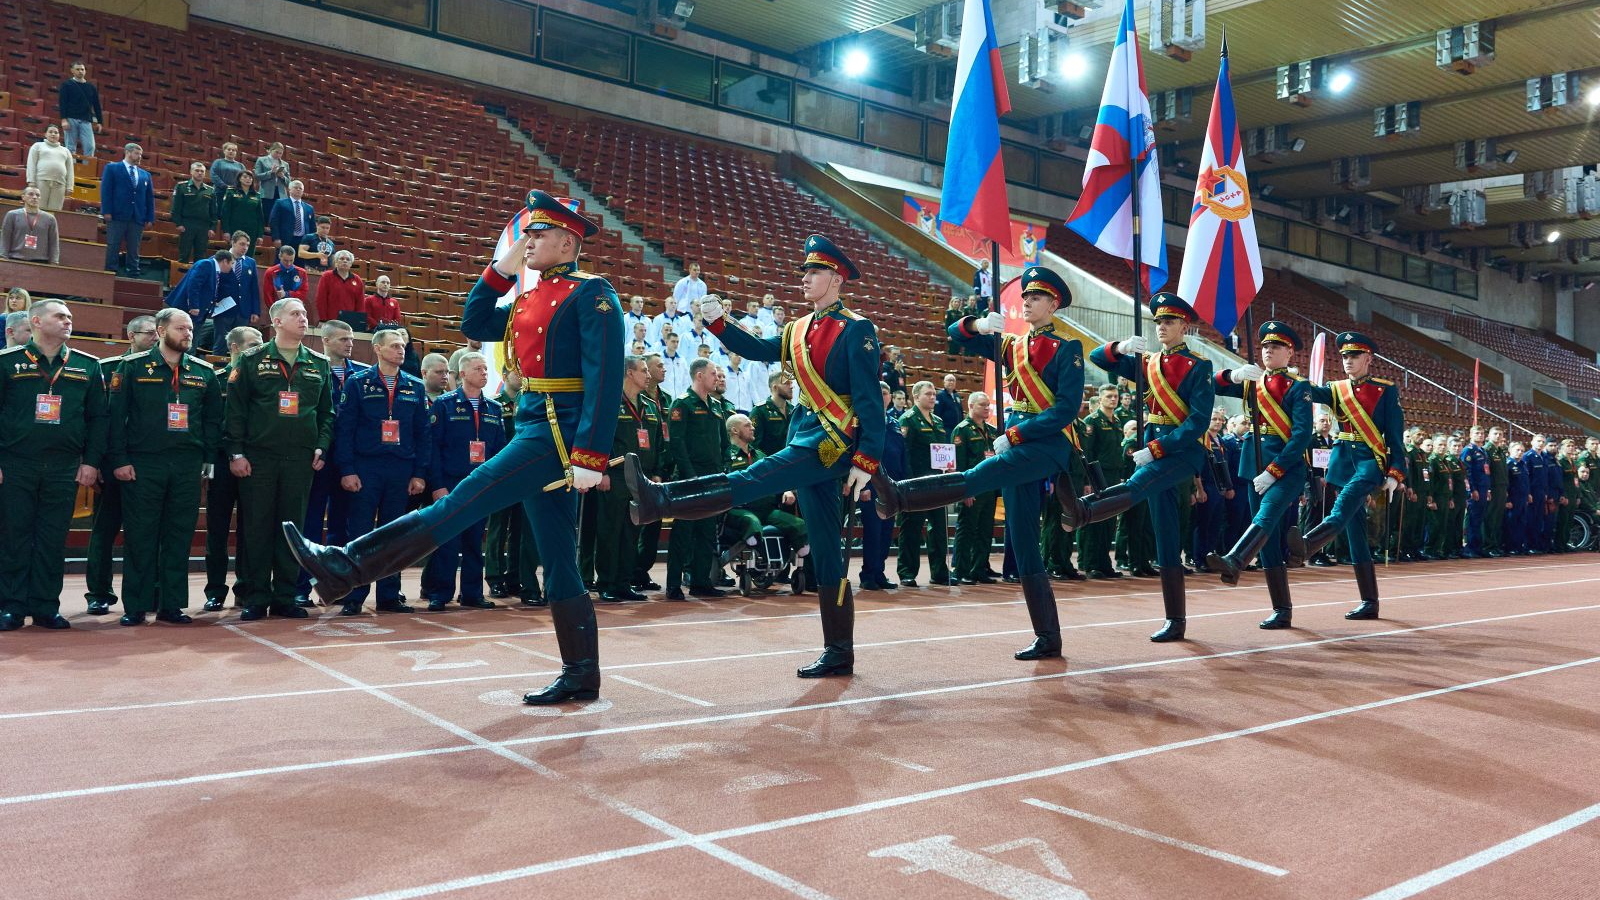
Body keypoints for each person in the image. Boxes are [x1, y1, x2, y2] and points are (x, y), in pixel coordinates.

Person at [286, 191, 624, 706]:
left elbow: (605, 377)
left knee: (455, 507)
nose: (528, 242)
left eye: (538, 236)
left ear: (567, 241)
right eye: (526, 235)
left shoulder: (592, 293)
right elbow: (474, 322)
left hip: (556, 433)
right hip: (531, 422)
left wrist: (590, 456)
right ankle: (581, 673)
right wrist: (501, 268)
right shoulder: (530, 297)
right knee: (560, 560)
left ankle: (346, 566)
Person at [628, 234, 883, 678]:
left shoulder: (856, 329)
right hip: (805, 431)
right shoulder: (799, 328)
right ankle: (839, 650)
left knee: (752, 479)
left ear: (837, 278)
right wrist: (720, 324)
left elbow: (868, 400)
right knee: (824, 545)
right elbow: (759, 350)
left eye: (815, 272)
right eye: (804, 271)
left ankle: (662, 500)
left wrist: (868, 458)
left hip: (830, 442)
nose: (805, 278)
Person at [875, 266, 1085, 658]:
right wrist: (979, 323)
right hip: (1017, 446)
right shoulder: (1011, 345)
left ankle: (898, 497)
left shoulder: (1067, 348)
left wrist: (1017, 434)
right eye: (1025, 297)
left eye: (1036, 297)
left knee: (975, 477)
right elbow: (955, 335)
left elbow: (1066, 410)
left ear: (1054, 304)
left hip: (1044, 446)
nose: (1027, 303)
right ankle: (1048, 636)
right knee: (1023, 542)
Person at [1063, 292, 1214, 642]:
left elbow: (1198, 422)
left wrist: (1159, 445)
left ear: (1184, 326)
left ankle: (1084, 511)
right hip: (1155, 450)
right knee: (1165, 537)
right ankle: (1175, 619)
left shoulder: (1198, 366)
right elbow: (1098, 357)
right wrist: (1121, 347)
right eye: (1158, 321)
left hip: (1181, 454)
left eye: (1170, 321)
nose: (1162, 327)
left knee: (1139, 484)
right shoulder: (1146, 362)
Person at [104, 309, 221, 625]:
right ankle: (136, 606)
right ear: (160, 330)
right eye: (181, 328)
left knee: (179, 536)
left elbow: (212, 421)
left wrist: (208, 462)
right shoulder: (132, 367)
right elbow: (115, 419)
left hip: (187, 465)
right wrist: (120, 460)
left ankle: (172, 605)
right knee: (140, 536)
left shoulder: (203, 372)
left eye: (191, 329)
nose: (188, 334)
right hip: (144, 463)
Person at [0, 299, 107, 631]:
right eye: (60, 316)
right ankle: (11, 607)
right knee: (13, 536)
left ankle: (46, 606)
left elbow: (99, 419)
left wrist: (91, 462)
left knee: (52, 538)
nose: (68, 322)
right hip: (16, 463)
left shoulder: (87, 365)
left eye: (70, 318)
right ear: (36, 322)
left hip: (64, 466)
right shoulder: (7, 362)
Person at [224, 298, 334, 620]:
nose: (304, 319)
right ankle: (257, 596)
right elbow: (236, 411)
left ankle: (285, 595)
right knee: (257, 527)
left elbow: (327, 413)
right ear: (277, 322)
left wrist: (322, 446)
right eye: (296, 314)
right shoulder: (250, 359)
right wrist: (236, 452)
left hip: (300, 459)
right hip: (259, 458)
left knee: (291, 529)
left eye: (304, 313)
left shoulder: (318, 363)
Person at [1286, 332, 1406, 620]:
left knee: (1344, 506)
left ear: (1368, 358)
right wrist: (1294, 379)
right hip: (1343, 462)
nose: (1348, 361)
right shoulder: (1337, 388)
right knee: (1356, 536)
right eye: (1344, 357)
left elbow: (1396, 436)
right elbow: (1311, 394)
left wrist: (1395, 473)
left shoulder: (1385, 390)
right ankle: (1370, 602)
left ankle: (1308, 544)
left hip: (1369, 461)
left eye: (1354, 356)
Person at [1205, 321, 1313, 629]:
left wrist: (1274, 469)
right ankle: (1282, 609)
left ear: (1289, 353)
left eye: (1275, 346)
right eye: (1265, 346)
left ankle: (1235, 560)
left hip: (1286, 467)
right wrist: (1234, 375)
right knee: (1267, 538)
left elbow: (1302, 435)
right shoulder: (1253, 380)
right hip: (1253, 464)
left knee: (1263, 518)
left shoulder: (1298, 387)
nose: (1268, 351)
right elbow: (1210, 383)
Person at [331, 328, 431, 616]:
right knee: (360, 534)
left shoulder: (415, 385)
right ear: (377, 349)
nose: (401, 350)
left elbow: (423, 433)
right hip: (366, 467)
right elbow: (345, 430)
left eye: (403, 346)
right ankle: (354, 595)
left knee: (395, 535)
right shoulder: (357, 383)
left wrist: (419, 473)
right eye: (395, 346)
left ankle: (389, 594)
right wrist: (347, 470)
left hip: (401, 469)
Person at [82, 314, 158, 614]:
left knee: (148, 533)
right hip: (112, 465)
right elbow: (97, 421)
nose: (153, 338)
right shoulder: (108, 368)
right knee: (104, 531)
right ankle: (99, 593)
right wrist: (96, 461)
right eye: (147, 333)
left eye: (157, 333)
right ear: (131, 336)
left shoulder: (170, 369)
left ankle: (147, 592)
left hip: (148, 465)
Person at [419, 350, 507, 610]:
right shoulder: (444, 404)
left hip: (480, 483)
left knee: (474, 539)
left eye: (485, 369)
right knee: (447, 539)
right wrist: (437, 485)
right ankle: (440, 593)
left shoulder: (494, 408)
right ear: (464, 373)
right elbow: (434, 448)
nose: (484, 373)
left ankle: (472, 593)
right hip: (451, 483)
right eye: (479, 369)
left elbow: (500, 450)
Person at [295, 319, 362, 607]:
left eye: (350, 338)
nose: (349, 343)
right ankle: (301, 587)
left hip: (351, 461)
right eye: (342, 339)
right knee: (309, 526)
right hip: (318, 459)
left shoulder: (361, 374)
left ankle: (337, 585)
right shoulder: (311, 369)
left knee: (343, 526)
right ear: (325, 341)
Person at [590, 355, 661, 603]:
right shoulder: (610, 402)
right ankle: (607, 583)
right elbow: (598, 437)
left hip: (640, 479)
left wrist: (656, 472)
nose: (648, 375)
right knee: (610, 531)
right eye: (643, 370)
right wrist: (602, 471)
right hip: (615, 476)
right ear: (629, 373)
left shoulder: (649, 405)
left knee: (632, 533)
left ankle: (624, 582)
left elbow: (659, 443)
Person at [203, 325, 263, 610]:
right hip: (221, 461)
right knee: (217, 527)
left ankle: (246, 587)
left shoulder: (264, 380)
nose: (260, 347)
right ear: (235, 348)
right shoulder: (216, 380)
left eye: (262, 342)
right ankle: (215, 590)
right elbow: (209, 424)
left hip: (255, 460)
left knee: (251, 529)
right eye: (254, 343)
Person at [659, 358, 728, 600]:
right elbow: (677, 444)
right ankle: (673, 585)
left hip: (712, 478)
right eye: (712, 373)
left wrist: (724, 469)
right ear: (699, 375)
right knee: (683, 533)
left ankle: (701, 581)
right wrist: (691, 477)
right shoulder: (682, 404)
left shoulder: (716, 405)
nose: (717, 378)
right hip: (689, 479)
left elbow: (724, 443)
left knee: (707, 532)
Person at [723, 413, 809, 584]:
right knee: (752, 523)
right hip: (740, 510)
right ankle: (754, 561)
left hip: (767, 509)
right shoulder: (726, 455)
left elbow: (775, 477)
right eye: (747, 425)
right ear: (734, 430)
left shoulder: (760, 455)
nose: (752, 427)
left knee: (799, 525)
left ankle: (797, 561)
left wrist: (786, 491)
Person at [894, 380, 952, 588]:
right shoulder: (908, 419)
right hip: (916, 484)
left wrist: (949, 467)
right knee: (912, 528)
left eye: (934, 394)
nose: (932, 397)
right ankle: (907, 572)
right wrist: (908, 483)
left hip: (937, 483)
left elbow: (943, 450)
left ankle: (939, 571)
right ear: (916, 397)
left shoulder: (937, 420)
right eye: (928, 394)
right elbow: (905, 453)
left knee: (938, 529)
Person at [857, 382, 903, 591]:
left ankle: (880, 572)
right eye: (880, 393)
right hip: (872, 485)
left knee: (886, 531)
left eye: (886, 393)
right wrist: (863, 486)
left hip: (892, 486)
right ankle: (868, 574)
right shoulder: (866, 420)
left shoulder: (894, 423)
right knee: (873, 532)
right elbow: (860, 454)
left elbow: (902, 455)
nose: (884, 396)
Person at [951, 391, 998, 584]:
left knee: (985, 531)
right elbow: (960, 465)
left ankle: (979, 568)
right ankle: (961, 570)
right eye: (982, 405)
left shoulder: (992, 430)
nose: (987, 408)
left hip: (989, 488)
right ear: (971, 406)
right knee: (967, 530)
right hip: (972, 489)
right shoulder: (962, 430)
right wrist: (964, 491)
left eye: (988, 405)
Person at [1078, 385, 1124, 579]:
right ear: (1100, 398)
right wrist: (1090, 480)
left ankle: (1105, 564)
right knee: (1095, 521)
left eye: (1115, 396)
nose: (1113, 400)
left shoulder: (1118, 421)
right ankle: (1091, 564)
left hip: (1113, 476)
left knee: (1109, 521)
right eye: (1109, 397)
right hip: (1099, 475)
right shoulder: (1093, 421)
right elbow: (1088, 454)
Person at [101, 143, 155, 276]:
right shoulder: (112, 168)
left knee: (134, 247)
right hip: (117, 214)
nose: (139, 157)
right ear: (128, 152)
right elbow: (106, 191)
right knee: (113, 244)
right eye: (137, 154)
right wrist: (106, 210)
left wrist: (150, 217)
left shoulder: (145, 175)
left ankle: (133, 271)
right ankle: (110, 270)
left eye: (141, 154)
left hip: (137, 216)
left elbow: (149, 198)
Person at [208, 232, 261, 353]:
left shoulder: (250, 262)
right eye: (242, 244)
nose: (245, 248)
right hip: (223, 308)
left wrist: (255, 311)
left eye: (247, 245)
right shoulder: (219, 258)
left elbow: (253, 288)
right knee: (220, 343)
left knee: (241, 345)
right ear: (233, 242)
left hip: (243, 310)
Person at [165, 250, 234, 341]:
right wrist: (194, 305)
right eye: (232, 263)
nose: (232, 267)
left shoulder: (214, 269)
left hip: (198, 313)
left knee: (191, 343)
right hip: (188, 310)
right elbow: (194, 285)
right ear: (225, 261)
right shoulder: (206, 264)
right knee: (183, 342)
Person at [170, 161, 216, 264]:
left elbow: (213, 211)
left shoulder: (210, 190)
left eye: (202, 171)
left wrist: (212, 227)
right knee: (184, 254)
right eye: (197, 170)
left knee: (201, 257)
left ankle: (197, 279)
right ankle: (182, 278)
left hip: (203, 226)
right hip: (187, 224)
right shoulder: (182, 186)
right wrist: (178, 223)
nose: (200, 173)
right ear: (191, 171)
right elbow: (176, 207)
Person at [2, 187, 60, 264]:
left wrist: (54, 261)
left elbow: (53, 242)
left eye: (38, 195)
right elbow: (5, 238)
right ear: (23, 197)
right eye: (31, 194)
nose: (35, 197)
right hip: (15, 259)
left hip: (41, 262)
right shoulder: (12, 215)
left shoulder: (50, 218)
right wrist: (3, 257)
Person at [57, 61, 102, 160]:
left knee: (90, 146)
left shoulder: (91, 87)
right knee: (70, 147)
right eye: (77, 69)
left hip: (86, 120)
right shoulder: (67, 85)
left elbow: (97, 105)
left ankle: (86, 169)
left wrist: (99, 121)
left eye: (82, 69)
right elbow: (63, 103)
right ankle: (70, 169)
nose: (80, 71)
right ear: (72, 71)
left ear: (85, 71)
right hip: (71, 118)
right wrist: (63, 119)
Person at [25, 125, 74, 212]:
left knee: (54, 212)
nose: (53, 134)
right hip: (41, 181)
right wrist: (31, 180)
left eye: (56, 132)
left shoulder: (66, 151)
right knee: (39, 209)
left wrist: (70, 187)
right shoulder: (37, 146)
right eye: (50, 132)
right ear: (45, 134)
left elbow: (70, 170)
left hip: (60, 184)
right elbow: (31, 163)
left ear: (59, 135)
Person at [218, 168, 264, 256]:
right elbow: (225, 212)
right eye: (245, 177)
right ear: (239, 179)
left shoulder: (257, 195)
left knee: (248, 255)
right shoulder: (231, 192)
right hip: (234, 229)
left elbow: (260, 217)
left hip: (251, 231)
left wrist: (260, 235)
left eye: (250, 178)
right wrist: (226, 230)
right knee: (232, 255)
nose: (248, 179)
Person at [1460, 425, 1491, 558]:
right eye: (1477, 433)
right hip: (1475, 490)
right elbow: (1466, 472)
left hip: (1484, 489)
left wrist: (1488, 489)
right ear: (1470, 435)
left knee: (1480, 519)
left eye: (1482, 433)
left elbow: (1486, 472)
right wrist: (1472, 490)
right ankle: (1470, 547)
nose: (1480, 435)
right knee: (1473, 520)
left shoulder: (1483, 451)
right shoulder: (1468, 450)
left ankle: (1478, 547)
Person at [314, 250, 365, 322]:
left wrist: (358, 322)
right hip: (330, 321)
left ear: (351, 264)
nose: (345, 261)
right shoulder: (327, 276)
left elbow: (360, 304)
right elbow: (321, 299)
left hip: (350, 322)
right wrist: (323, 319)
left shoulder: (357, 280)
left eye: (348, 259)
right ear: (336, 262)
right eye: (342, 259)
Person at [750, 371, 792, 456]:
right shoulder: (760, 410)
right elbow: (754, 444)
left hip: (791, 461)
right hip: (770, 463)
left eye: (791, 383)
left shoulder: (793, 409)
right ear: (775, 388)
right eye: (786, 383)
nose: (791, 387)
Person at [268, 181, 316, 252]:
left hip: (303, 241)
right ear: (289, 189)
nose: (298, 189)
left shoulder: (309, 208)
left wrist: (311, 241)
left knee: (300, 263)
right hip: (285, 239)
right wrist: (276, 238)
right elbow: (274, 221)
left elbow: (312, 227)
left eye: (300, 188)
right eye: (296, 187)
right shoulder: (280, 203)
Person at [1484, 426, 1509, 557]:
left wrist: (1506, 488)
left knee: (1498, 518)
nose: (1498, 436)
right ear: (1489, 435)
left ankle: (1495, 544)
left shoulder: (1501, 451)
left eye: (1500, 434)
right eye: (1495, 433)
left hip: (1501, 487)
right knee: (1490, 517)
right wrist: (1488, 489)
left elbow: (1503, 472)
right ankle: (1488, 545)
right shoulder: (1487, 450)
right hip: (1493, 488)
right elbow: (1487, 472)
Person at [254, 143, 291, 227]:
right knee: (266, 215)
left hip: (281, 193)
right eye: (276, 152)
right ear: (271, 150)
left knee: (279, 216)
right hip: (267, 192)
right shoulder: (261, 160)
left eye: (280, 153)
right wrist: (271, 173)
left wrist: (282, 177)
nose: (278, 155)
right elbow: (257, 176)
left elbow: (289, 182)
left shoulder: (285, 164)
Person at [934, 374, 962, 440]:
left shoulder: (957, 396)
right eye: (949, 380)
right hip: (946, 429)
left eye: (953, 381)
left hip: (957, 429)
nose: (951, 382)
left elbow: (960, 411)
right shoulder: (940, 395)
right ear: (944, 382)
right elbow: (937, 413)